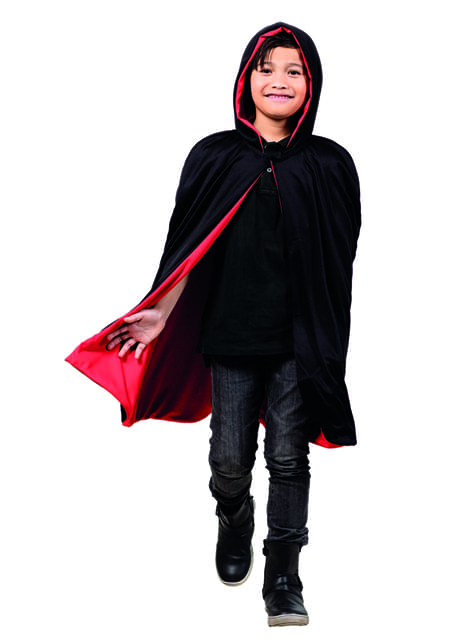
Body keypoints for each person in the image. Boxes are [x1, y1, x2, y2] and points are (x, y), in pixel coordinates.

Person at [66, 22, 361, 627]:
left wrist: (328, 342)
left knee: (288, 456)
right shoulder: (214, 156)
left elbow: (338, 258)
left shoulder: (330, 164)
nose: (279, 80)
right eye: (266, 68)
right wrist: (159, 313)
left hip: (299, 340)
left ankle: (284, 575)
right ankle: (233, 513)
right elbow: (189, 246)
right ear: (246, 78)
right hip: (230, 334)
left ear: (312, 84)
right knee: (230, 458)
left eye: (294, 70)